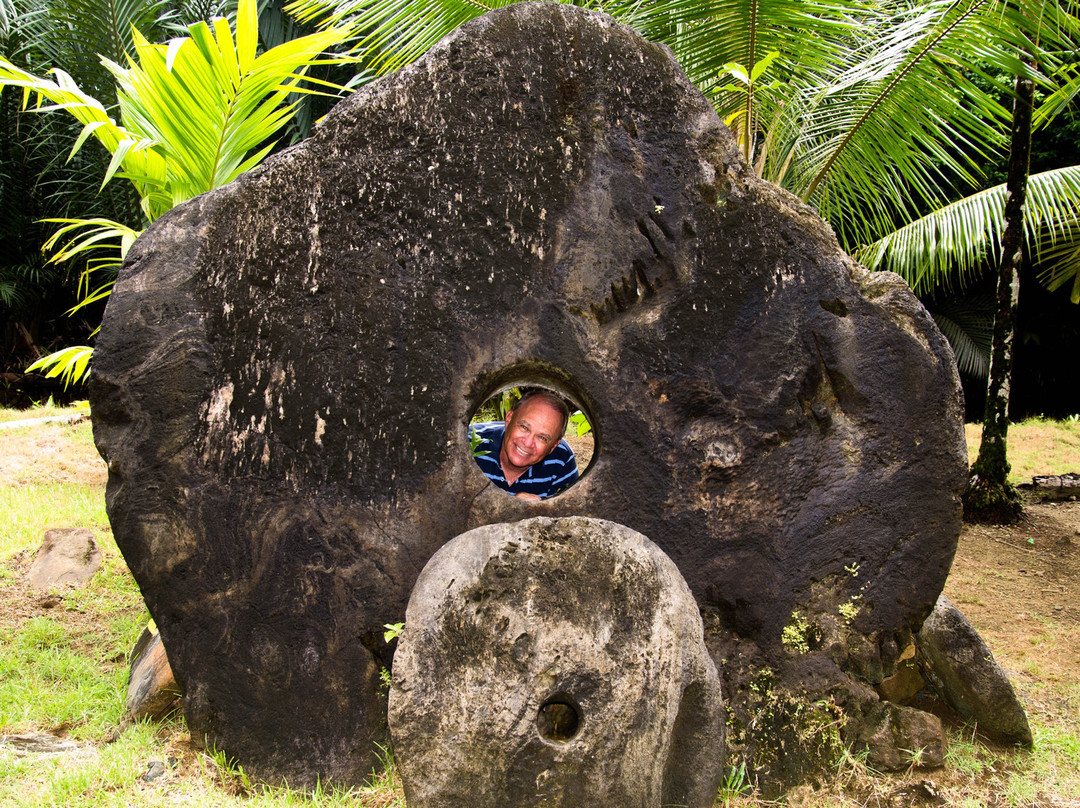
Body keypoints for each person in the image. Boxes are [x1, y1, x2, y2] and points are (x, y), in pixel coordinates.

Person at [471, 390, 579, 500]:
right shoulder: (470, 442)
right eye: (524, 427)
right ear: (509, 418)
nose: (527, 443)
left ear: (553, 446)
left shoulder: (562, 460)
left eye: (542, 438)